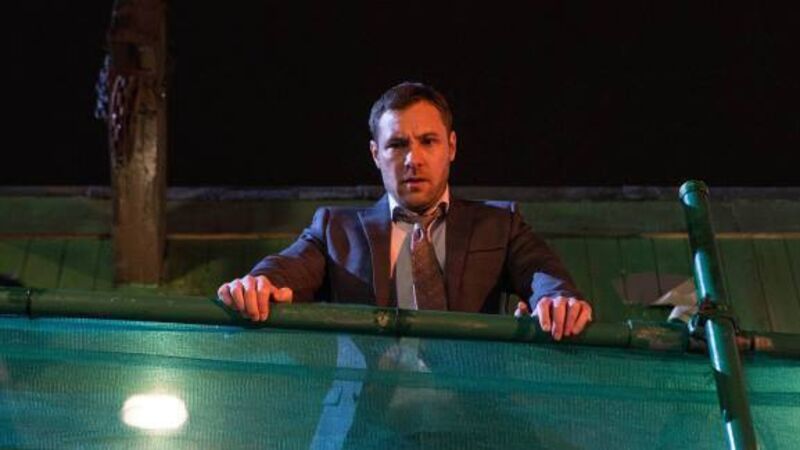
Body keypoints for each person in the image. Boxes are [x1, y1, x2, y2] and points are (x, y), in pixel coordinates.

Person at [217, 82, 592, 340]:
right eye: (397, 145)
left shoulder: (499, 224)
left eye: (428, 141)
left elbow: (543, 273)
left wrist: (555, 299)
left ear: (451, 147)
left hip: (471, 416)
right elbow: (286, 268)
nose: (413, 159)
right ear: (375, 154)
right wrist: (258, 282)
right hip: (367, 419)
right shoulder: (335, 229)